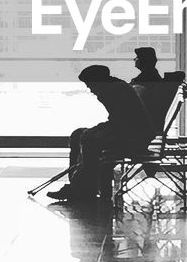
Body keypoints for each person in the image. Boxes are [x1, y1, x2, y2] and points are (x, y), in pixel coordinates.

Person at [49, 65, 157, 202]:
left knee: (90, 141)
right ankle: (78, 185)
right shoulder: (115, 87)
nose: (90, 89)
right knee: (79, 134)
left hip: (134, 139)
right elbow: (119, 121)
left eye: (89, 85)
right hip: (135, 134)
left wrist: (95, 132)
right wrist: (96, 130)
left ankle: (85, 188)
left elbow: (120, 123)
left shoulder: (110, 92)